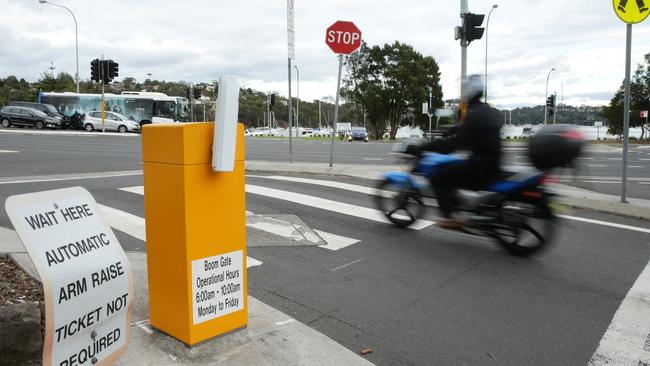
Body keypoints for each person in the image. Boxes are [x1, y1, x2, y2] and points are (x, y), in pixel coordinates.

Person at [412, 75, 503, 229]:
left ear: (469, 92)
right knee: (455, 168)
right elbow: (473, 129)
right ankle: (464, 206)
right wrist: (452, 129)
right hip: (493, 162)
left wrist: (424, 147)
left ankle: (452, 216)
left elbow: (454, 144)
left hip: (480, 165)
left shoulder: (473, 114)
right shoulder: (488, 111)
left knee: (438, 175)